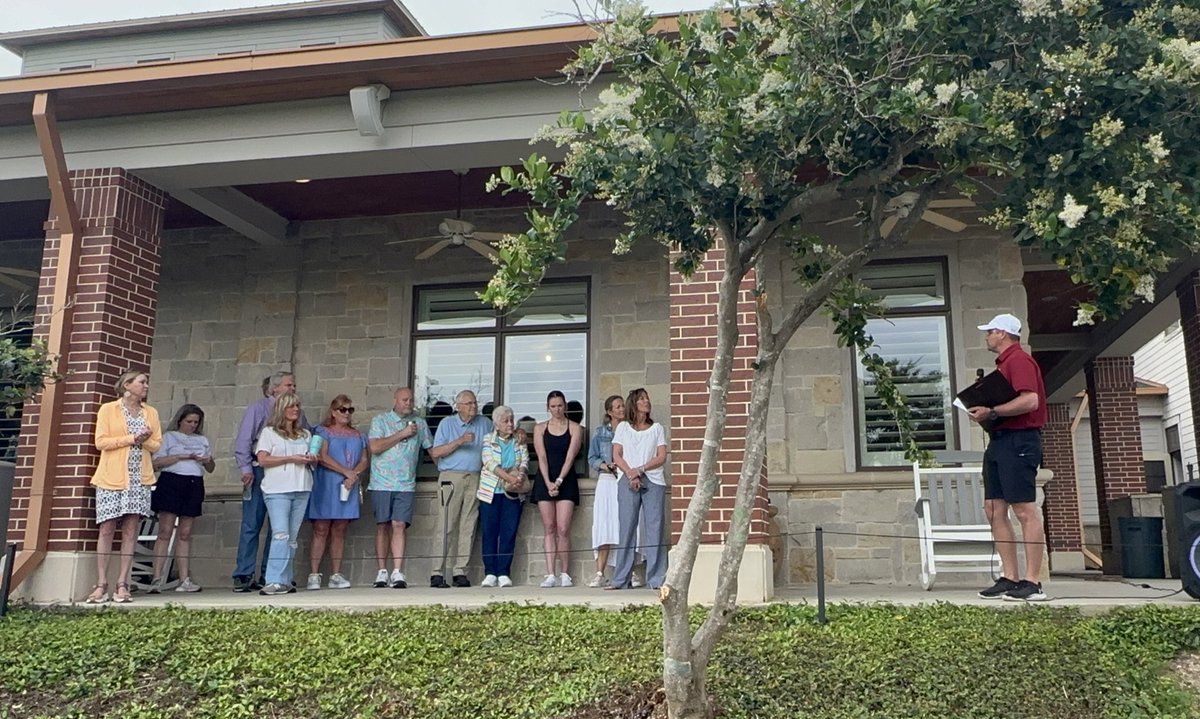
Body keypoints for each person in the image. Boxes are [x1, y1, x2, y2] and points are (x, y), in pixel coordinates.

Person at [967, 313, 1049, 602]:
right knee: (994, 508)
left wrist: (994, 411)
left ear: (1003, 333)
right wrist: (986, 413)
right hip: (1000, 440)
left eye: (990, 331)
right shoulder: (1003, 365)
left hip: (1020, 440)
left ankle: (1033, 581)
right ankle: (1010, 577)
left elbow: (1031, 400)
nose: (987, 336)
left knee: (1024, 509)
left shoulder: (1019, 360)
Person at [86, 370, 162, 604]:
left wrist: (144, 439)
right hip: (111, 477)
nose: (146, 386)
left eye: (147, 382)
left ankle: (123, 583)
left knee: (131, 530)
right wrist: (131, 439)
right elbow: (101, 442)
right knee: (107, 528)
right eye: (142, 382)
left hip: (139, 478)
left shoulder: (151, 412)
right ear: (127, 386)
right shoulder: (108, 409)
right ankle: (101, 583)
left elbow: (156, 444)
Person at [231, 371, 309, 592]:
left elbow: (308, 434)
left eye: (294, 385)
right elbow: (244, 440)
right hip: (259, 471)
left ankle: (272, 574)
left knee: (280, 528)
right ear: (274, 388)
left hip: (292, 477)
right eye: (288, 385)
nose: (292, 388)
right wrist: (246, 468)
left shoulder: (297, 413)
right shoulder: (258, 409)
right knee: (252, 524)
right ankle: (244, 574)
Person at [368, 387, 433, 589]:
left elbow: (432, 450)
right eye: (404, 399)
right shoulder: (380, 421)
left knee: (399, 525)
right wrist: (402, 433)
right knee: (382, 525)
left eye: (411, 400)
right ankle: (381, 571)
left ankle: (397, 571)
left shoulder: (420, 423)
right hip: (381, 482)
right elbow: (375, 448)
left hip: (406, 483)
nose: (408, 403)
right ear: (395, 400)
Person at [429, 389, 493, 588]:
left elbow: (499, 436)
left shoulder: (485, 423)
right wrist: (459, 441)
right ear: (458, 406)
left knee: (469, 525)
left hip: (475, 477)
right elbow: (436, 452)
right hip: (451, 477)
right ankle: (437, 572)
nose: (474, 407)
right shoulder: (447, 424)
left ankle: (460, 572)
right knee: (446, 524)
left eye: (475, 403)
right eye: (469, 403)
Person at [149, 403, 214, 594]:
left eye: (196, 422)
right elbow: (156, 463)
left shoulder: (202, 439)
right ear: (180, 421)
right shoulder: (169, 437)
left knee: (185, 533)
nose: (193, 425)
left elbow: (211, 468)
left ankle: (184, 578)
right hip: (172, 480)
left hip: (194, 482)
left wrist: (206, 460)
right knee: (165, 530)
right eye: (189, 421)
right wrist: (180, 456)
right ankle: (157, 577)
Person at [255, 393, 316, 596]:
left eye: (298, 406)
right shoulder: (269, 433)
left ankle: (286, 579)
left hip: (302, 487)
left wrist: (311, 458)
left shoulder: (305, 434)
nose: (296, 410)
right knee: (280, 534)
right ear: (282, 409)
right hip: (277, 489)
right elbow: (263, 459)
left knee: (292, 537)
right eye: (291, 406)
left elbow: (311, 461)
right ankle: (272, 580)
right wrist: (290, 458)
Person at [609, 387, 669, 591]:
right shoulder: (623, 427)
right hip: (627, 479)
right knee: (626, 527)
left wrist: (641, 469)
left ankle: (656, 578)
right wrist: (630, 473)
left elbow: (661, 456)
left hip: (653, 479)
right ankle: (620, 579)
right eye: (642, 399)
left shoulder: (657, 428)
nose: (646, 401)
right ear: (634, 404)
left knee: (655, 528)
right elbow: (616, 454)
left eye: (647, 398)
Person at [307, 395, 368, 590]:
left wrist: (353, 475)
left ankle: (336, 574)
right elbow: (321, 456)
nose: (347, 413)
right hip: (327, 482)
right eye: (343, 409)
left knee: (340, 529)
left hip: (348, 484)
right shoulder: (323, 432)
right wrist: (345, 471)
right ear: (333, 412)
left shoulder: (358, 434)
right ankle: (314, 574)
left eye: (350, 410)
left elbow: (365, 459)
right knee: (321, 528)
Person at [533, 390, 584, 587]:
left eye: (560, 405)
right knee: (549, 527)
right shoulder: (539, 428)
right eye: (553, 406)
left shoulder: (575, 428)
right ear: (548, 408)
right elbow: (541, 457)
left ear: (565, 406)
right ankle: (550, 574)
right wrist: (548, 482)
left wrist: (560, 480)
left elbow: (571, 457)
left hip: (566, 479)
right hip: (545, 478)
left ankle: (565, 573)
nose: (557, 409)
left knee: (563, 527)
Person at [478, 405, 529, 588]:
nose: (510, 424)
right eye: (505, 421)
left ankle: (504, 572)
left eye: (511, 420)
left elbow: (524, 460)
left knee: (509, 532)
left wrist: (520, 476)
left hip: (513, 493)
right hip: (491, 492)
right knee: (490, 532)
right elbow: (489, 463)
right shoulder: (488, 439)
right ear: (497, 424)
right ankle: (490, 572)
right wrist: (509, 478)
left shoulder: (518, 439)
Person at [586, 394, 625, 588]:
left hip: (624, 480)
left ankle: (628, 570)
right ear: (609, 411)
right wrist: (604, 465)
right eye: (617, 407)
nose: (621, 409)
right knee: (604, 524)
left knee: (626, 523)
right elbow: (591, 458)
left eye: (622, 406)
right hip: (607, 480)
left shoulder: (629, 430)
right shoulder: (600, 432)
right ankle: (600, 572)